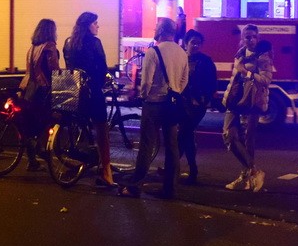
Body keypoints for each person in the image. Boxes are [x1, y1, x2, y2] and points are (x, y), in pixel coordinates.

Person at [123, 17, 189, 198]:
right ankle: (170, 189)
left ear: (160, 31)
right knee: (172, 147)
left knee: (146, 145)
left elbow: (146, 82)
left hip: (153, 104)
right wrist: (175, 92)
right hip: (172, 104)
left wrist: (142, 96)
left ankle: (136, 185)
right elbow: (184, 80)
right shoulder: (182, 52)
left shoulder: (154, 52)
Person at [63, 12, 114, 187]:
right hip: (92, 91)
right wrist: (102, 83)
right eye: (95, 23)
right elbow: (102, 68)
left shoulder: (68, 43)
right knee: (102, 129)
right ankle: (106, 171)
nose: (98, 26)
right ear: (88, 26)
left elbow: (70, 67)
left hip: (74, 91)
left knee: (80, 124)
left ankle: (82, 161)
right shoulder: (95, 43)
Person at [222, 24, 274, 192]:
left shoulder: (263, 56)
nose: (250, 40)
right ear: (242, 38)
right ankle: (254, 171)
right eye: (247, 37)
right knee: (228, 135)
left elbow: (266, 80)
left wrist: (247, 72)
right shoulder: (240, 54)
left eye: (253, 37)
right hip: (236, 100)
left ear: (257, 38)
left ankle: (246, 177)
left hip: (252, 101)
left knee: (248, 140)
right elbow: (234, 78)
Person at [18, 18, 60, 171]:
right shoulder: (49, 47)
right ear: (51, 31)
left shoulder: (33, 48)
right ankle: (41, 149)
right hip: (43, 89)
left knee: (30, 123)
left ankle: (32, 161)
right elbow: (54, 71)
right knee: (48, 120)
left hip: (28, 89)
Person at [177, 29, 217, 184]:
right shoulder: (180, 59)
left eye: (198, 43)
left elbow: (212, 82)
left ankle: (181, 168)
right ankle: (187, 169)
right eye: (193, 42)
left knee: (184, 133)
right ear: (186, 43)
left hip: (197, 104)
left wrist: (204, 98)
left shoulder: (206, 61)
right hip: (182, 103)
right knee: (185, 134)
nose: (196, 46)